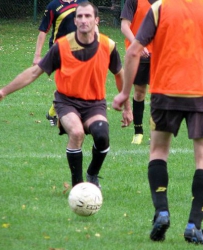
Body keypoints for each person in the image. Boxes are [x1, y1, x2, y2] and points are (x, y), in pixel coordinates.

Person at [113, 0, 203, 245]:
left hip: (166, 91)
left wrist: (124, 93)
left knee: (158, 151)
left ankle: (162, 211)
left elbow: (133, 51)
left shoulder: (160, 8)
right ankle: (194, 225)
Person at [0, 1, 132, 188]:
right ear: (75, 21)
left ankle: (92, 174)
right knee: (77, 133)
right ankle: (78, 187)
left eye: (88, 16)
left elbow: (120, 75)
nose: (83, 20)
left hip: (95, 103)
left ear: (96, 20)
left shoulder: (108, 45)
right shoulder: (61, 47)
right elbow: (33, 72)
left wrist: (127, 108)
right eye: (79, 16)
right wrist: (4, 91)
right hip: (66, 101)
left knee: (102, 135)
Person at [33, 0, 86, 126]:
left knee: (75, 84)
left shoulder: (83, 3)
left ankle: (52, 113)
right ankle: (66, 114)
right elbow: (43, 31)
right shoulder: (53, 6)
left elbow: (93, 25)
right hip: (59, 50)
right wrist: (37, 55)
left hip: (80, 49)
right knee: (70, 83)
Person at [120, 0, 155, 144]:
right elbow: (124, 26)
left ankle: (158, 131)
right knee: (140, 92)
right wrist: (137, 44)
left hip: (161, 54)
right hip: (139, 54)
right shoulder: (134, 1)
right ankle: (138, 131)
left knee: (160, 92)